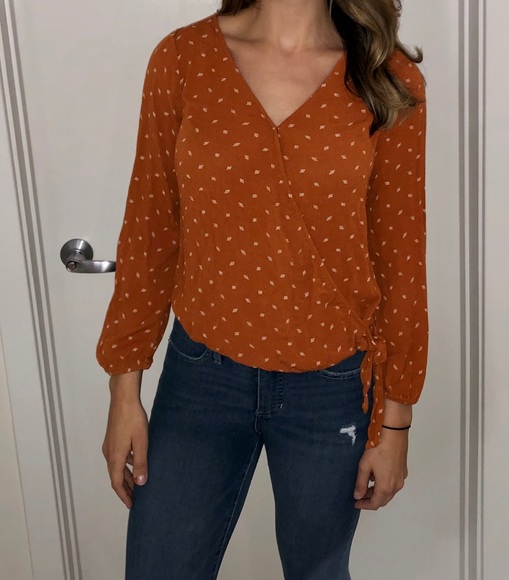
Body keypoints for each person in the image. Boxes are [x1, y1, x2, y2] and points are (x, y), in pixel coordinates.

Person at [97, 0, 428, 578]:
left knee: (318, 571)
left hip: (331, 388)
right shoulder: (183, 59)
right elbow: (151, 230)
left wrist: (395, 423)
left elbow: (401, 261)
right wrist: (124, 393)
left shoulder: (386, 76)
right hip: (201, 376)